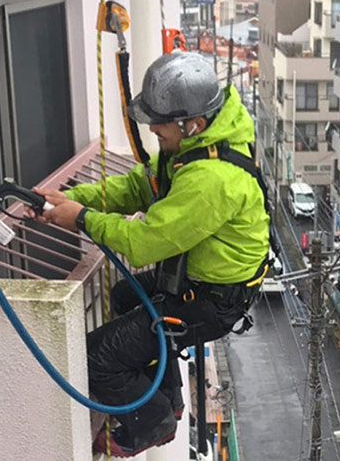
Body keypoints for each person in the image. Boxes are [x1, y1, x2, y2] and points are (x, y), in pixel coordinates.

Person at [33, 52, 269, 457]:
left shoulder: (212, 179)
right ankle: (169, 397)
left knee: (93, 358)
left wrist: (81, 219)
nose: (156, 136)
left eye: (160, 132)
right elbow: (138, 188)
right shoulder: (197, 146)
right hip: (198, 282)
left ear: (190, 123)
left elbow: (145, 241)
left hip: (212, 301)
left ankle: (154, 420)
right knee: (126, 296)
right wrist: (70, 199)